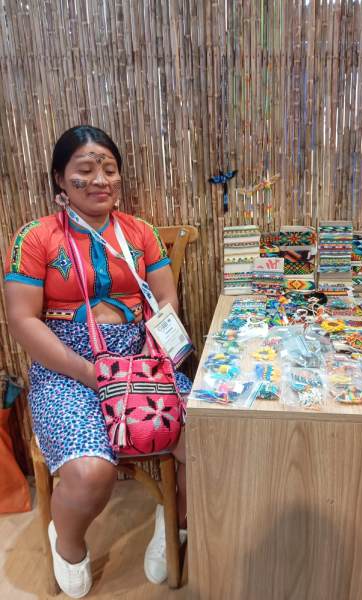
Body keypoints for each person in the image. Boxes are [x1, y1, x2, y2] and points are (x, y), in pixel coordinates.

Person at [4, 125, 189, 598]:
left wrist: (150, 353)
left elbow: (166, 299)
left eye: (108, 168)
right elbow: (22, 320)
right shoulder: (35, 237)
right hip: (67, 368)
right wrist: (91, 374)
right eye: (84, 170)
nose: (100, 179)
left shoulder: (141, 232)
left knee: (206, 439)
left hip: (142, 359)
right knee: (91, 472)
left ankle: (172, 522)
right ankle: (68, 542)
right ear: (59, 180)